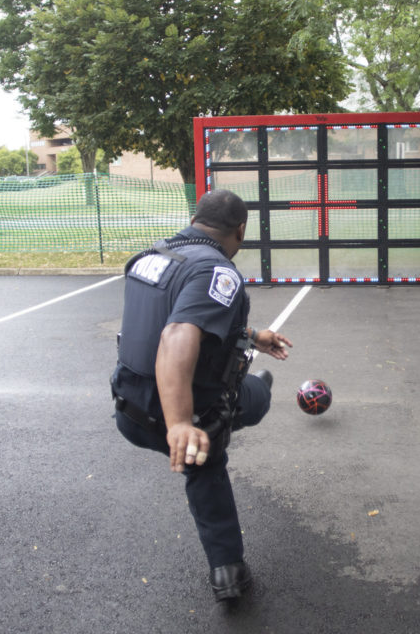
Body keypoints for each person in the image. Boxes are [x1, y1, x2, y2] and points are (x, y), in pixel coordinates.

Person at [111, 188, 292, 602]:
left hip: (129, 410)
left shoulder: (150, 258)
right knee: (231, 422)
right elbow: (177, 333)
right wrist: (179, 424)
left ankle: (241, 393)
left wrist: (252, 335)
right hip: (176, 415)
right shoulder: (218, 271)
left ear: (196, 220)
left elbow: (174, 316)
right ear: (240, 230)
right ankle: (228, 573)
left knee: (210, 435)